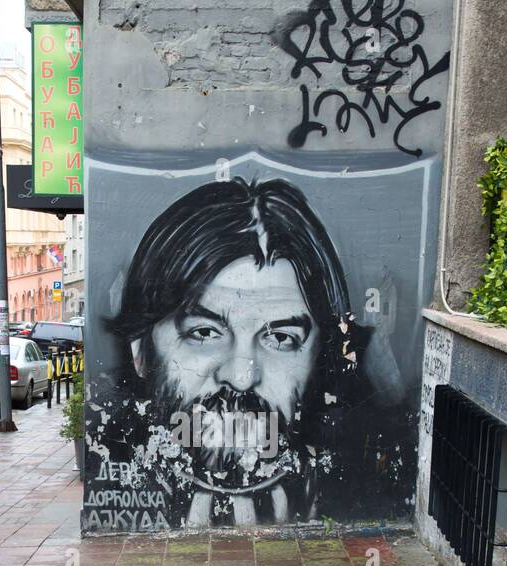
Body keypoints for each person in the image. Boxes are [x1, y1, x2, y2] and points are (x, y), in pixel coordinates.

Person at [96, 176, 394, 528]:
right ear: (140, 349)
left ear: (320, 359)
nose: (241, 377)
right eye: (204, 333)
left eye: (281, 338)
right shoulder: (116, 470)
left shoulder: (356, 478)